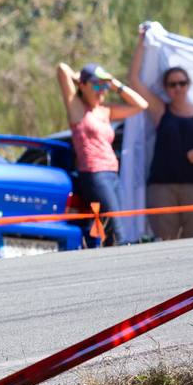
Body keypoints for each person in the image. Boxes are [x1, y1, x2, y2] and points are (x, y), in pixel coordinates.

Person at [128, 28, 193, 240]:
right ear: (165, 87)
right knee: (166, 243)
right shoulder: (161, 110)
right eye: (172, 84)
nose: (178, 88)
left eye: (182, 83)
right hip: (162, 187)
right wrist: (142, 42)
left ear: (188, 85)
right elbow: (134, 80)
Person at [56, 60, 148, 246]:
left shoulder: (105, 111)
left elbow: (141, 105)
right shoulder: (78, 108)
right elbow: (61, 68)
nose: (102, 90)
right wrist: (79, 78)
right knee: (116, 231)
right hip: (94, 174)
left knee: (110, 228)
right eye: (97, 85)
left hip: (113, 174)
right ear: (83, 85)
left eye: (104, 86)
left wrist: (114, 84)